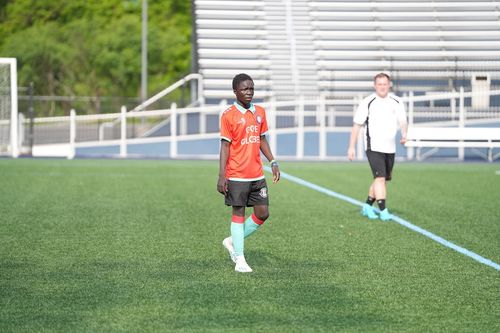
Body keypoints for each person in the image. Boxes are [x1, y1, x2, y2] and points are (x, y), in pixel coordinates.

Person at [217, 73, 280, 273]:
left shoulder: (259, 111)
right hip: (236, 174)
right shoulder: (228, 115)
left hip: (257, 174)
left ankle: (232, 241)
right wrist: (222, 176)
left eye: (251, 88)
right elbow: (225, 146)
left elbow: (261, 139)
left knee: (263, 213)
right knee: (238, 212)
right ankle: (240, 259)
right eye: (244, 89)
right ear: (235, 91)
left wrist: (273, 161)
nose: (249, 92)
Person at [347, 73, 407, 221]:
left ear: (389, 85)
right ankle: (383, 211)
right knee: (379, 178)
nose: (382, 87)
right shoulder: (368, 102)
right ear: (375, 86)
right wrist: (351, 147)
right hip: (373, 146)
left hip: (390, 147)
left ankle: (367, 206)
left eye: (385, 84)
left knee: (382, 179)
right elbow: (357, 126)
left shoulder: (397, 101)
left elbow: (403, 121)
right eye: (379, 84)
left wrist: (405, 134)